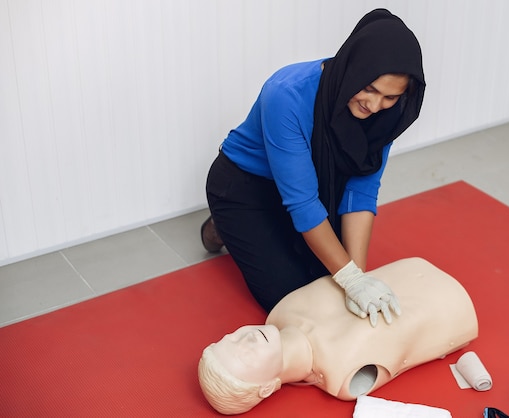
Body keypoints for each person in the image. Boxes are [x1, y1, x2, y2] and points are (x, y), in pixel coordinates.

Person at [201, 9, 426, 325]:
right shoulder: (286, 94)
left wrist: (356, 278)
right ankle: (223, 224)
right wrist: (349, 278)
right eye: (370, 89)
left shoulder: (385, 115)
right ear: (354, 69)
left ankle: (261, 232)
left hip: (312, 187)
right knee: (298, 300)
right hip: (246, 188)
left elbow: (360, 189)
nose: (375, 106)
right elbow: (303, 203)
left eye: (389, 97)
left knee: (331, 285)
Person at [198, 258, 479, 415]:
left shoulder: (281, 311)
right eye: (245, 354)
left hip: (414, 270)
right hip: (451, 305)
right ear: (266, 388)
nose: (247, 338)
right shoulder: (342, 377)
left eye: (231, 337)